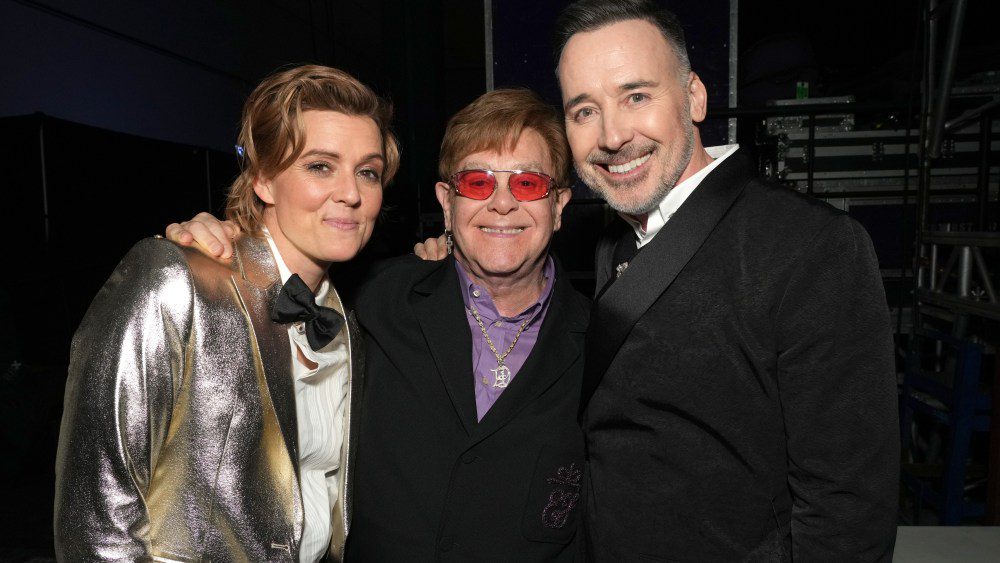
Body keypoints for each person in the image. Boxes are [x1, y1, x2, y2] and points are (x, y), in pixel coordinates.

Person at [164, 88, 588, 560]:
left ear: (560, 204)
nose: (502, 204)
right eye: (477, 184)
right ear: (447, 203)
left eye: (528, 184)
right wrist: (226, 244)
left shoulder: (606, 341)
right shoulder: (375, 296)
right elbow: (283, 269)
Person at [554, 1, 898, 560]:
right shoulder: (615, 241)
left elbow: (849, 509)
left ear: (694, 97)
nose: (612, 135)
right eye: (583, 111)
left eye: (636, 96)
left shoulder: (812, 246)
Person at [54, 64, 399, 562]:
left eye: (367, 171)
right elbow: (95, 515)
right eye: (320, 166)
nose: (351, 193)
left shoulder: (349, 317)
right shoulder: (175, 280)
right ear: (262, 179)